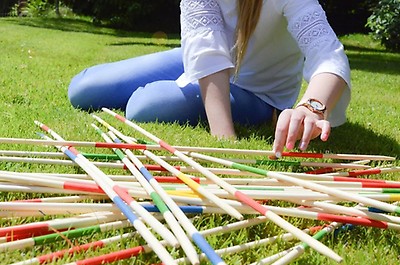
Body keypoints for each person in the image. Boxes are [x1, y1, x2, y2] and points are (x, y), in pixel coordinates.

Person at [68, 0, 351, 157]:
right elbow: (207, 52)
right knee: (83, 90)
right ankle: (182, 83)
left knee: (144, 106)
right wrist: (224, 135)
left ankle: (179, 88)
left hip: (259, 93)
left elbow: (327, 53)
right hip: (201, 55)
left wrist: (311, 106)